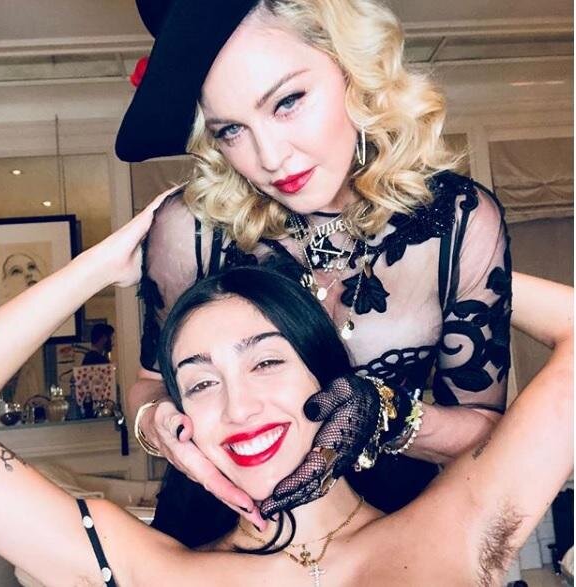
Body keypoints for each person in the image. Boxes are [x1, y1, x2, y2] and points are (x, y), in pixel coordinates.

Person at [0, 203, 572, 587]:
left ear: (328, 374)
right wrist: (99, 267)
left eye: (265, 361)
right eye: (201, 383)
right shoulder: (145, 569)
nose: (238, 408)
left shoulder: (461, 524)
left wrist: (438, 267)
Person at [116, 0, 514, 540]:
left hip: (395, 545)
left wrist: (388, 417)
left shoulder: (457, 220)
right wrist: (157, 423)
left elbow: (486, 431)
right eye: (231, 130)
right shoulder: (194, 226)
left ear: (353, 68)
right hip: (221, 541)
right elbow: (148, 384)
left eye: (287, 102)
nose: (270, 157)